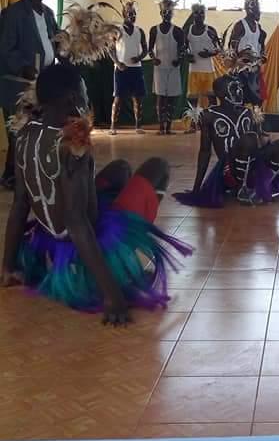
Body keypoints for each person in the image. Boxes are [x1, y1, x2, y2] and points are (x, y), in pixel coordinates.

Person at [0, 61, 192, 325]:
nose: (87, 95)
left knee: (120, 168)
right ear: (72, 98)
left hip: (51, 245)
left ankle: (14, 269)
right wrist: (112, 295)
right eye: (84, 89)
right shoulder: (73, 146)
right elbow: (76, 222)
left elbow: (20, 205)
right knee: (158, 166)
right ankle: (125, 263)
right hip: (84, 246)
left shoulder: (25, 135)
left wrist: (8, 266)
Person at [175, 74, 279, 207]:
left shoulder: (248, 113)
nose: (239, 92)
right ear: (220, 93)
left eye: (239, 88)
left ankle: (264, 184)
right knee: (248, 139)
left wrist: (267, 144)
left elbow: (259, 143)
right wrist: (196, 188)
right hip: (229, 171)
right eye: (234, 89)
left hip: (253, 165)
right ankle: (241, 189)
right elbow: (205, 151)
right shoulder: (209, 115)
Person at [0, 0, 59, 187]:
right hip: (18, 84)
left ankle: (13, 174)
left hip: (41, 82)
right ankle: (14, 176)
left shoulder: (48, 14)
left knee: (36, 129)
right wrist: (23, 66)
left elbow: (56, 41)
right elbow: (5, 49)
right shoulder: (14, 14)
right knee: (19, 131)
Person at [148, 0, 185, 135]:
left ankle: (168, 127)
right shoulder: (154, 30)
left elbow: (183, 49)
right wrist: (153, 58)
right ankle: (161, 127)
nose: (167, 15)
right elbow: (149, 49)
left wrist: (179, 59)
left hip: (173, 68)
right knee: (160, 98)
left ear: (172, 14)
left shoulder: (178, 31)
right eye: (164, 12)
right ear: (160, 13)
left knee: (171, 99)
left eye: (169, 12)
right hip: (159, 68)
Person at [110, 0, 147, 135]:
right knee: (118, 99)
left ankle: (138, 126)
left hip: (136, 68)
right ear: (124, 14)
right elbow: (110, 49)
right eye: (130, 14)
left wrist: (139, 57)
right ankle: (113, 126)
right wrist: (118, 63)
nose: (133, 16)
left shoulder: (140, 31)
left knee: (138, 99)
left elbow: (145, 49)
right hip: (121, 69)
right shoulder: (117, 30)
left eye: (134, 14)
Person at [185, 3, 221, 130]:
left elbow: (219, 49)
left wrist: (209, 53)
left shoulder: (210, 30)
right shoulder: (188, 30)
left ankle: (212, 123)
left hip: (208, 70)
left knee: (211, 98)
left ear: (205, 15)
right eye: (197, 13)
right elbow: (183, 48)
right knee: (193, 98)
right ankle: (194, 123)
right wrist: (187, 55)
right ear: (193, 14)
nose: (200, 16)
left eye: (202, 13)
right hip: (193, 69)